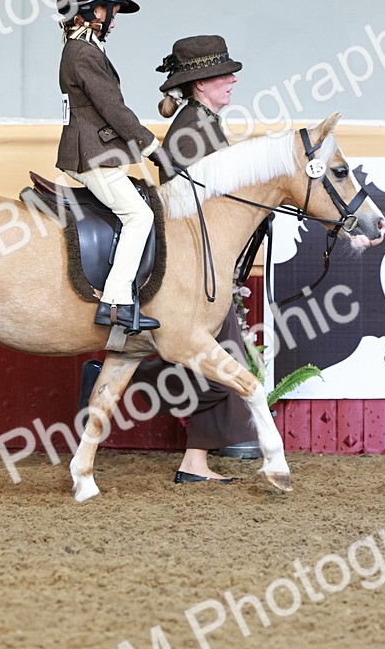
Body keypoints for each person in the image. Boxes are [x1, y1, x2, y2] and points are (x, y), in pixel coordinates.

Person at [81, 35, 259, 484]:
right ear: (201, 83)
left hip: (201, 265)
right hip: (187, 269)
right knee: (218, 358)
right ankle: (190, 453)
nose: (233, 79)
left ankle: (194, 461)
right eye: (224, 74)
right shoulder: (191, 129)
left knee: (223, 356)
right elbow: (193, 203)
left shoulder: (203, 123)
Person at [54, 0, 175, 334]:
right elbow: (114, 110)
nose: (113, 19)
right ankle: (115, 302)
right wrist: (155, 149)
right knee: (140, 216)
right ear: (89, 9)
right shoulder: (84, 53)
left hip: (97, 149)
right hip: (92, 153)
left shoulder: (83, 49)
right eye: (109, 9)